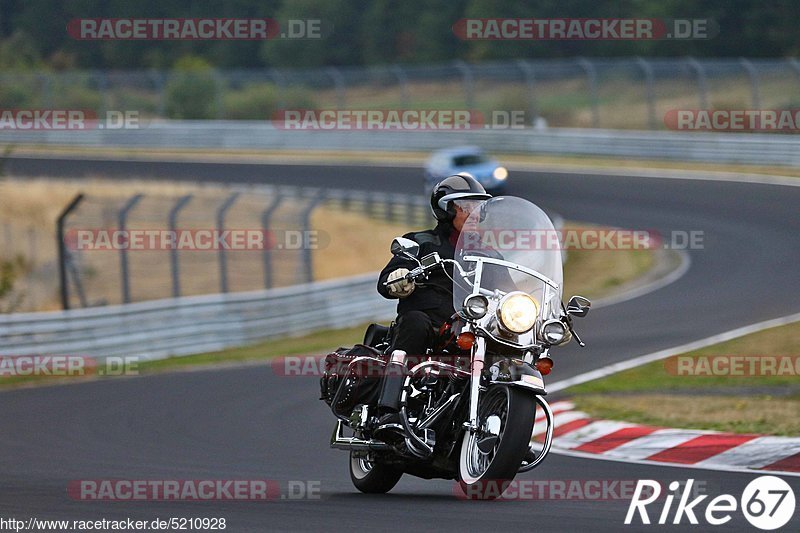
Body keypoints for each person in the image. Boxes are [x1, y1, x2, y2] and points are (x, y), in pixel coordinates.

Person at [374, 173, 491, 423]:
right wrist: (400, 276)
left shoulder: (489, 254)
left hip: (471, 329)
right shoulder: (420, 242)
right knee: (415, 321)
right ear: (447, 210)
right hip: (431, 328)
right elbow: (386, 280)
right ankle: (389, 409)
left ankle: (507, 423)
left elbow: (513, 287)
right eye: (467, 207)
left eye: (479, 208)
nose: (476, 214)